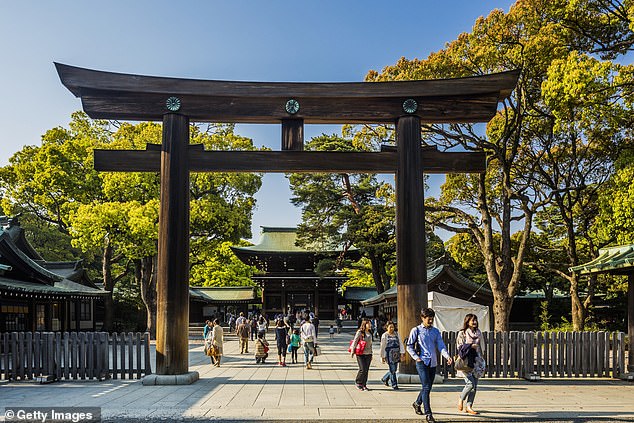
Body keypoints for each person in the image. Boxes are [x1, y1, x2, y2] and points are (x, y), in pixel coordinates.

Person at [406, 308, 453, 423]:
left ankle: (417, 403)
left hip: (433, 362)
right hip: (422, 362)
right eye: (428, 318)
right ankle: (428, 413)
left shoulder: (436, 331)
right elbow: (409, 346)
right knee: (426, 387)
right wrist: (416, 358)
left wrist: (447, 356)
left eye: (432, 318)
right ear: (423, 318)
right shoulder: (416, 330)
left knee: (427, 387)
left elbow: (441, 346)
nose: (430, 320)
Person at [457, 313, 485, 416]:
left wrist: (482, 359)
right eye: (472, 320)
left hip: (477, 361)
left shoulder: (478, 333)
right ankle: (461, 399)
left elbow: (482, 347)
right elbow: (459, 347)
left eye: (475, 320)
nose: (474, 322)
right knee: (470, 383)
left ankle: (469, 406)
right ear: (467, 321)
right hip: (466, 362)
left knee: (475, 386)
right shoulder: (462, 333)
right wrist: (470, 346)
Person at [380, 321, 405, 390]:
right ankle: (394, 384)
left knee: (394, 369)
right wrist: (382, 356)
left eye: (393, 327)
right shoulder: (385, 335)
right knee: (392, 369)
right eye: (390, 327)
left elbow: (400, 343)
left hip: (396, 354)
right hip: (389, 354)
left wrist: (402, 353)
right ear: (387, 327)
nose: (391, 328)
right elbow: (383, 346)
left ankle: (384, 378)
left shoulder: (397, 334)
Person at [350, 318, 373, 391]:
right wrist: (352, 351)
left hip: (368, 353)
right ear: (364, 324)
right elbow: (355, 341)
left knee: (366, 370)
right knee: (362, 369)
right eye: (368, 323)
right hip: (360, 353)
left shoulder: (370, 332)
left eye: (370, 323)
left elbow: (370, 344)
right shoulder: (360, 332)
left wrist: (371, 353)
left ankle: (364, 384)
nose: (370, 325)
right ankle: (358, 382)